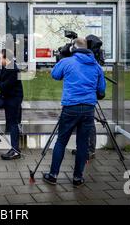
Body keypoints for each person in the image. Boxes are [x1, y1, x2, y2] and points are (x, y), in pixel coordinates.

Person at [43, 37, 106, 188]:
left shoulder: (67, 62)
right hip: (88, 109)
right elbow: (101, 91)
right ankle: (78, 178)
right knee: (83, 144)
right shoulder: (96, 66)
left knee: (61, 141)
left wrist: (62, 58)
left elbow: (55, 75)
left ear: (73, 48)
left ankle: (53, 175)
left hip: (70, 107)